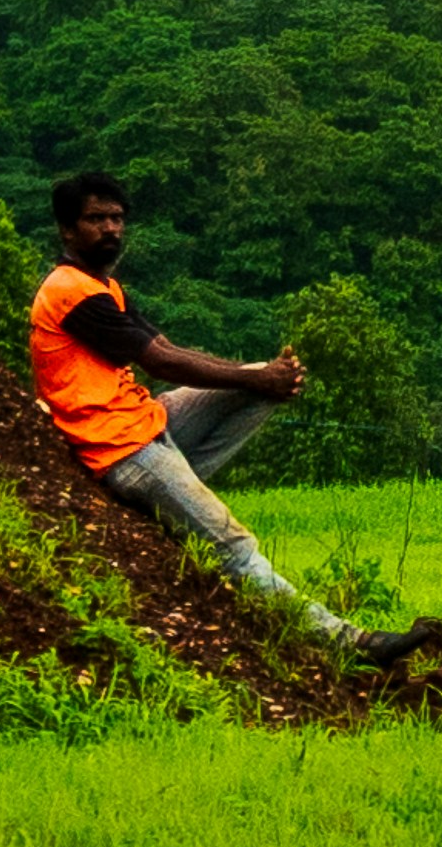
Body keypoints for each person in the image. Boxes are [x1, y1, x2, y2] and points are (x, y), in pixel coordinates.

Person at [26, 176, 319, 610]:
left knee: (256, 378)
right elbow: (159, 363)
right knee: (232, 544)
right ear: (67, 230)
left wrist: (261, 377)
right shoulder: (69, 292)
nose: (110, 228)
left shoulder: (104, 287)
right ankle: (342, 639)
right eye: (96, 219)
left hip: (143, 418)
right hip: (119, 447)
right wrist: (258, 379)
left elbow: (163, 347)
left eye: (117, 218)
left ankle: (172, 494)